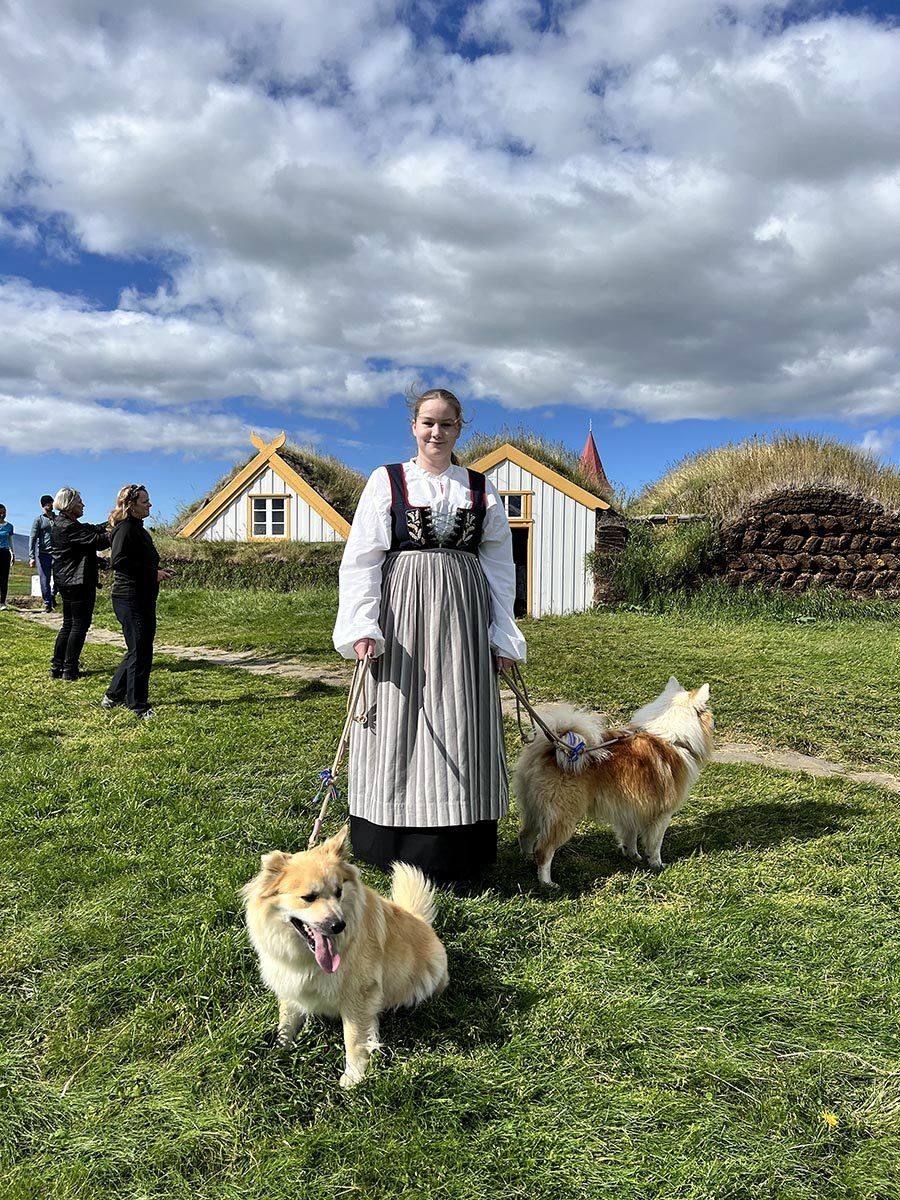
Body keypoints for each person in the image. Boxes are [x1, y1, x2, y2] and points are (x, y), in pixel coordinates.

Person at [332, 387, 526, 885]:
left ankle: (458, 846)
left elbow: (500, 565)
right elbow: (362, 558)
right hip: (402, 620)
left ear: (460, 428)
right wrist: (361, 624)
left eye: (446, 424)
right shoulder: (387, 481)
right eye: (427, 423)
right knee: (399, 714)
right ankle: (387, 841)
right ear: (413, 427)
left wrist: (502, 633)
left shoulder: (480, 488)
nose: (436, 433)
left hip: (464, 618)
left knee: (462, 714)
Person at [103, 485, 174, 720]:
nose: (150, 505)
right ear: (131, 505)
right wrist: (151, 574)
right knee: (141, 651)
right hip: (129, 596)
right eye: (145, 501)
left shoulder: (138, 529)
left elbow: (137, 560)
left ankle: (113, 695)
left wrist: (157, 570)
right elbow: (120, 561)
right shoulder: (124, 529)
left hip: (142, 595)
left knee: (138, 648)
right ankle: (137, 705)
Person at [49, 488, 111, 680]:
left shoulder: (63, 523)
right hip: (77, 582)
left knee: (68, 624)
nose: (82, 505)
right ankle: (70, 669)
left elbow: (91, 528)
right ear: (69, 505)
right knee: (79, 625)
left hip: (66, 580)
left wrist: (111, 522)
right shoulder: (68, 527)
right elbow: (96, 541)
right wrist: (118, 530)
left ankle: (57, 667)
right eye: (79, 502)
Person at [29, 494, 57, 612]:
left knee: (59, 577)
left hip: (57, 553)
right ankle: (47, 603)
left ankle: (53, 595)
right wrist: (31, 556)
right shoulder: (38, 520)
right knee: (44, 579)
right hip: (43, 554)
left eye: (50, 503)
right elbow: (33, 538)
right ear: (43, 506)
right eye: (47, 504)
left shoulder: (58, 518)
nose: (49, 505)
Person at [0, 504, 14, 610]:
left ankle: (2, 602)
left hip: (5, 553)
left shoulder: (9, 526)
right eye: (0, 512)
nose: (2, 515)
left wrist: (13, 553)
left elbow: (10, 541)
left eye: (4, 512)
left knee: (4, 578)